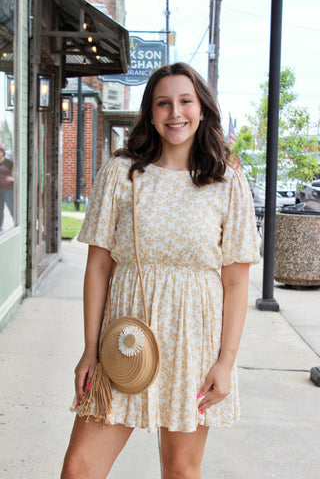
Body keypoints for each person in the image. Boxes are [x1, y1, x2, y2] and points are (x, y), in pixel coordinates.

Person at [61, 62, 260, 479]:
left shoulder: (227, 180)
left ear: (202, 108)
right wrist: (89, 349)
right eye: (163, 103)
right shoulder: (122, 172)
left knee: (181, 470)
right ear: (150, 112)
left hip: (193, 344)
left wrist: (225, 362)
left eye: (185, 101)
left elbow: (237, 281)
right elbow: (98, 267)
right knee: (80, 468)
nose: (175, 113)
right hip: (126, 339)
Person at [0, 145, 14, 232]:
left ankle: (16, 223)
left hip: (8, 188)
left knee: (11, 206)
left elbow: (16, 172)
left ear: (2, 153)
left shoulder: (8, 162)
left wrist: (14, 178)